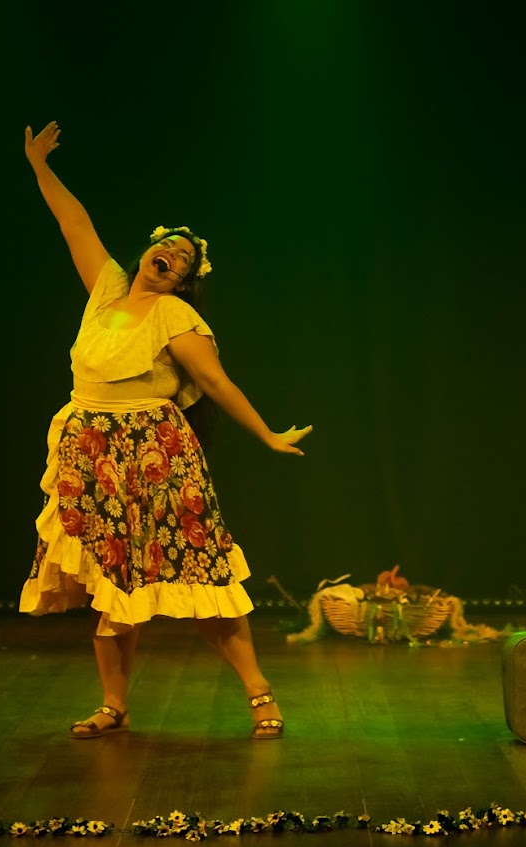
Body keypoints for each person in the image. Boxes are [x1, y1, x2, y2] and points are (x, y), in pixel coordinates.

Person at [19, 121, 312, 740]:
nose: (172, 257)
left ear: (183, 280)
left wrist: (266, 435)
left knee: (200, 571)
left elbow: (216, 383)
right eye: (168, 248)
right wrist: (41, 168)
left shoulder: (173, 313)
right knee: (110, 581)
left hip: (154, 451)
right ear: (147, 254)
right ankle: (114, 704)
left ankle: (259, 692)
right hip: (90, 451)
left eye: (183, 260)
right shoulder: (106, 292)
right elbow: (75, 224)